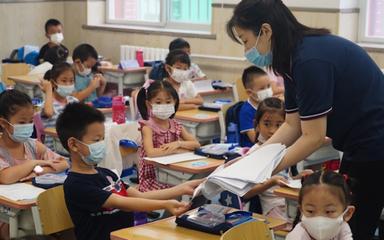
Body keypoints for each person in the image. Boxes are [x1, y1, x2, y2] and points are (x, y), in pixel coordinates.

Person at [227, 1, 384, 239]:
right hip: (363, 145)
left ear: (266, 31)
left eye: (245, 40)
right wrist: (252, 160)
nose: (246, 49)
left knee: (350, 227)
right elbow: (292, 125)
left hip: (374, 146)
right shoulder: (292, 59)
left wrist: (262, 170)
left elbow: (313, 137)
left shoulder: (309, 59)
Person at [58, 103, 202, 240]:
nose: (102, 144)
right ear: (74, 144)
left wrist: (181, 189)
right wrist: (165, 205)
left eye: (103, 139)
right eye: (96, 140)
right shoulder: (76, 185)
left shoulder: (107, 173)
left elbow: (141, 196)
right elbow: (123, 203)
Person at [136, 80, 200, 192]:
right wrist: (177, 150)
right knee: (182, 190)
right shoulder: (148, 127)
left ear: (175, 102)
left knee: (194, 186)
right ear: (149, 104)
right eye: (158, 102)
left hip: (173, 171)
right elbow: (151, 152)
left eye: (168, 102)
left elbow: (196, 144)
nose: (164, 106)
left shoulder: (175, 124)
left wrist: (178, 144)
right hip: (153, 178)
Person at [286, 171, 355, 240]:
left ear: (347, 213)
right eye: (310, 211)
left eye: (329, 211)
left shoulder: (342, 227)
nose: (319, 220)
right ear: (301, 211)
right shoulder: (296, 237)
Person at [40, 62, 78, 150]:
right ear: (53, 83)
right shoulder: (47, 104)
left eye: (71, 81)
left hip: (70, 148)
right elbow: (49, 113)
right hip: (52, 150)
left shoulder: (74, 101)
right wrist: (48, 90)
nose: (68, 84)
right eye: (64, 81)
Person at [239, 66, 273, 147]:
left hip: (271, 145)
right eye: (262, 88)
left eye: (268, 86)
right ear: (250, 93)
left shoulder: (271, 106)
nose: (267, 90)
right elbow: (255, 139)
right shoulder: (246, 111)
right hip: (254, 150)